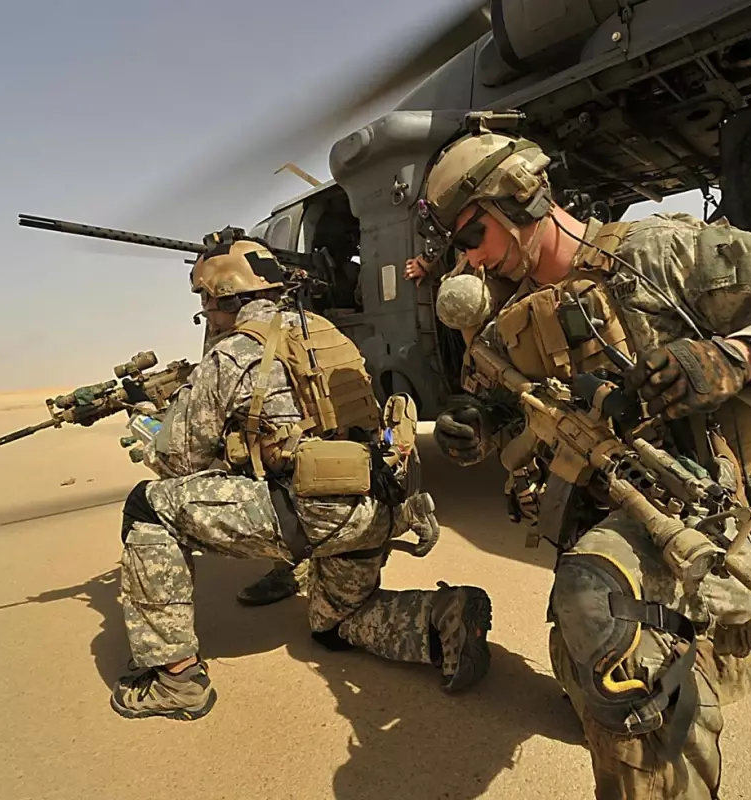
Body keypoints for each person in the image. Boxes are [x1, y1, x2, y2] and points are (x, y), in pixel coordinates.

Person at [415, 116, 751, 798]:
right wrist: (478, 425)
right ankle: (744, 651)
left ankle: (743, 653)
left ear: (520, 197)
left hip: (689, 500)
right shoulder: (504, 317)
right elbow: (504, 403)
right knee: (586, 669)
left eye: (473, 236)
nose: (470, 261)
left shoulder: (656, 254)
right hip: (594, 514)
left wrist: (731, 357)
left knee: (609, 642)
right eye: (457, 248)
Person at [111, 232, 493, 720]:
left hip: (310, 516)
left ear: (222, 297)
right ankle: (444, 618)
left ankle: (175, 678)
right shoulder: (323, 331)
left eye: (206, 302)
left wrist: (148, 425)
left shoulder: (233, 353)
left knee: (149, 505)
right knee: (334, 623)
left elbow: (179, 461)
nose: (206, 313)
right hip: (375, 504)